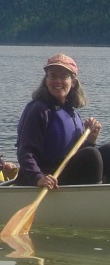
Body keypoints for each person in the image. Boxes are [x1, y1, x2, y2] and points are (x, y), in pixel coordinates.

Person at [16, 53, 110, 188]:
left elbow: (75, 155)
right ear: (46, 81)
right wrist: (38, 178)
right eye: (52, 76)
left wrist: (90, 139)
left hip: (64, 173)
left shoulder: (72, 113)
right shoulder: (39, 110)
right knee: (92, 155)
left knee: (107, 150)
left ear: (73, 82)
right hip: (46, 176)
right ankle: (93, 200)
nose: (57, 81)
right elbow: (25, 152)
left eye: (63, 76)